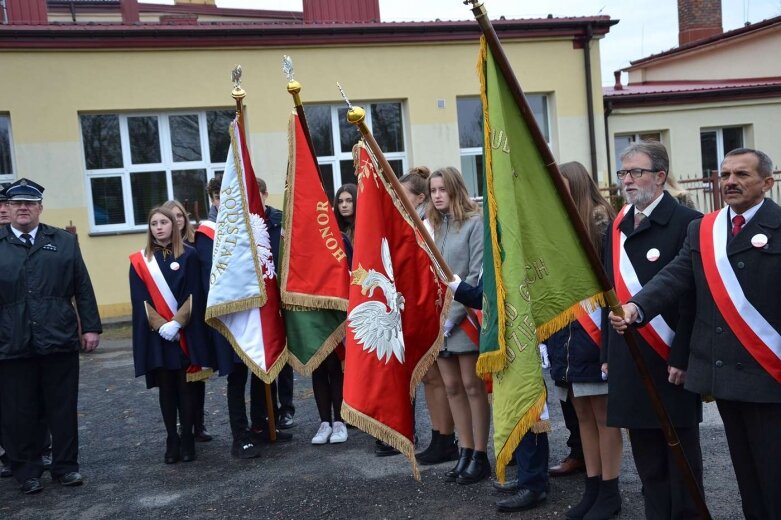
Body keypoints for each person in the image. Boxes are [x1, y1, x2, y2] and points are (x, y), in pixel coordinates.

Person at [611, 147, 781, 519]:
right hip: (726, 376)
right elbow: (675, 277)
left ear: (767, 183)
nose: (731, 182)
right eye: (725, 175)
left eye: (742, 175)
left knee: (774, 475)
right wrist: (637, 307)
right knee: (747, 475)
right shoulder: (705, 229)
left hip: (770, 374)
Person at [602, 141, 703, 520]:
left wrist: (683, 355)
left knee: (682, 462)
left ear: (660, 176)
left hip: (669, 359)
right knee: (648, 463)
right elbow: (607, 292)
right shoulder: (617, 226)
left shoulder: (686, 222)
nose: (627, 181)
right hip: (629, 355)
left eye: (636, 172)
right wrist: (606, 355)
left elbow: (693, 297)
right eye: (623, 173)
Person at [0, 178, 102, 494]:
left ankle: (65, 467)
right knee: (19, 411)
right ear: (8, 208)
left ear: (40, 208)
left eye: (29, 204)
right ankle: (27, 471)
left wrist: (90, 326)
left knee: (61, 407)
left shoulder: (62, 241)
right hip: (12, 340)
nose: (23, 209)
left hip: (58, 337)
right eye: (17, 204)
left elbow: (82, 286)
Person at [546, 162, 622, 520]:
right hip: (567, 334)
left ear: (575, 185)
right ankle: (593, 485)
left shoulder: (599, 221)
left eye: (562, 186)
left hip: (593, 331)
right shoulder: (561, 223)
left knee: (603, 416)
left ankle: (610, 489)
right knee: (581, 414)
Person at [129, 206, 211, 465]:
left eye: (163, 222)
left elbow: (194, 293)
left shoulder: (190, 256)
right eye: (154, 223)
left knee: (185, 387)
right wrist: (161, 325)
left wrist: (177, 324)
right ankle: (171, 438)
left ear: (173, 225)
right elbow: (140, 299)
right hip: (158, 336)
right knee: (166, 389)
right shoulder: (140, 261)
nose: (159, 227)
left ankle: (187, 437)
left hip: (183, 333)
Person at [427, 166, 490, 485]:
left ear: (455, 189)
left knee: (471, 387)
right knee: (451, 387)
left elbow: (476, 276)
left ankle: (480, 454)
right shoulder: (433, 226)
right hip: (440, 324)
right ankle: (464, 450)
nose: (437, 195)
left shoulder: (474, 223)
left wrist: (449, 321)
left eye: (442, 189)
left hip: (464, 319)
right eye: (432, 190)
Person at [394, 167, 459, 463]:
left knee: (443, 380)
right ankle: (438, 434)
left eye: (402, 195)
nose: (397, 200)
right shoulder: (415, 223)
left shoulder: (429, 226)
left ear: (420, 198)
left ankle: (447, 437)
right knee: (430, 379)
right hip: (421, 310)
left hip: (438, 311)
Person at [162, 199, 211, 443]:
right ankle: (184, 426)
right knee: (176, 378)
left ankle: (198, 423)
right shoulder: (160, 249)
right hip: (169, 320)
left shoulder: (196, 243)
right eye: (171, 217)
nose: (176, 220)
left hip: (194, 316)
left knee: (196, 374)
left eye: (179, 216)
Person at [310, 184, 355, 445]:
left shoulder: (340, 238)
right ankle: (323, 422)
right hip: (311, 314)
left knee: (335, 367)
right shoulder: (300, 247)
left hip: (335, 312)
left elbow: (349, 272)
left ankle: (339, 421)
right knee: (318, 367)